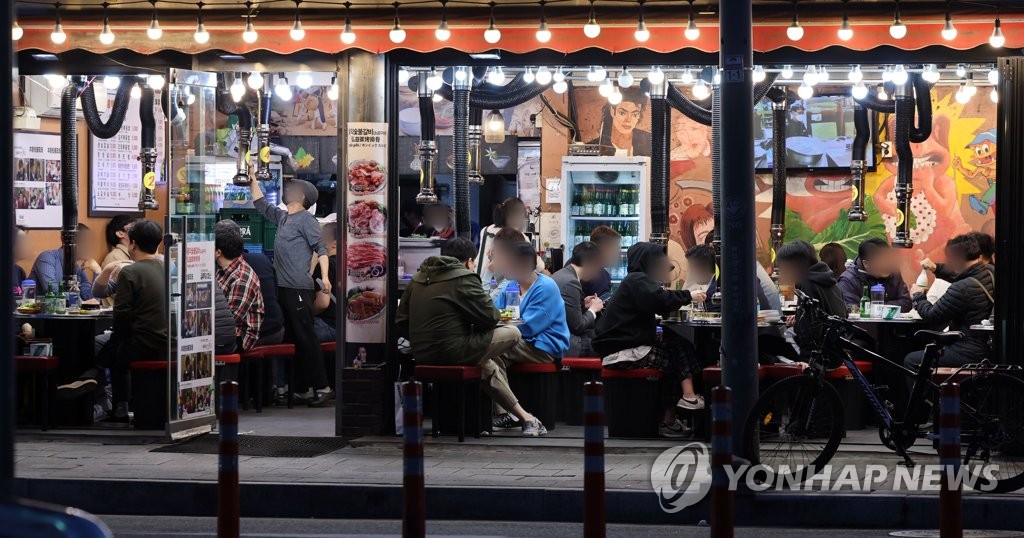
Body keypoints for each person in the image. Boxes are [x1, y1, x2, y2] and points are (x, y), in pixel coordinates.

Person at [396, 237, 548, 436]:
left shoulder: (417, 279)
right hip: (454, 350)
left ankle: (526, 418)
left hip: (422, 353)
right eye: (474, 263)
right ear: (469, 261)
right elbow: (491, 317)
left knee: (486, 365)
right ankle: (521, 418)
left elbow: (402, 320)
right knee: (513, 332)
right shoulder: (463, 278)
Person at [593, 242, 707, 438]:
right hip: (622, 351)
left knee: (677, 344)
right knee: (673, 358)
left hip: (622, 345)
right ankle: (674, 413)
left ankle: (681, 405)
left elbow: (657, 301)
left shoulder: (635, 281)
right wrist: (689, 295)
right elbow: (661, 301)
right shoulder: (637, 280)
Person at [58, 221, 167, 422]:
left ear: (132, 244)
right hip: (165, 337)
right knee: (118, 348)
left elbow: (122, 314)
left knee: (117, 350)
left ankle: (100, 385)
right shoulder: (166, 266)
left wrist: (117, 338)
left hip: (144, 341)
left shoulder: (130, 272)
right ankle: (101, 383)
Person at [250, 170, 333, 407]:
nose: (287, 192)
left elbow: (322, 249)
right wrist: (252, 180)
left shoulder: (307, 220)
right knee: (294, 338)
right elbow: (261, 204)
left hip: (299, 287)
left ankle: (323, 387)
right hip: (284, 287)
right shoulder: (285, 217)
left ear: (303, 197)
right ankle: (302, 388)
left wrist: (324, 278)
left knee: (306, 339)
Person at [905, 234, 995, 370]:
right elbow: (961, 276)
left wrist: (918, 296)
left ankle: (932, 392)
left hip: (967, 351)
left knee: (911, 360)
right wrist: (936, 268)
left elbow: (932, 315)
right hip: (987, 347)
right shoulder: (989, 272)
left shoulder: (962, 288)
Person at [775, 240, 847, 359]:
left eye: (784, 268)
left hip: (820, 357)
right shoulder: (829, 278)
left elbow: (808, 332)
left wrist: (805, 363)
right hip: (838, 351)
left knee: (778, 345)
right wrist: (799, 319)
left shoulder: (808, 284)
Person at [214, 220, 265, 352]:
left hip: (238, 337)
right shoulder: (221, 267)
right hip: (222, 328)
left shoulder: (241, 279)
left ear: (218, 252)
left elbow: (229, 321)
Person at [551, 242, 605, 357]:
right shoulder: (571, 282)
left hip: (558, 336)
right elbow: (578, 326)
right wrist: (593, 309)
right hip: (566, 344)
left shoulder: (561, 273)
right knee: (608, 347)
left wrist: (583, 305)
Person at [838, 238, 912, 312]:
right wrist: (885, 308)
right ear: (866, 264)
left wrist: (877, 307)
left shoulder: (894, 273)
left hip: (894, 323)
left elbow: (907, 303)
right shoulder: (848, 280)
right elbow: (854, 310)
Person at [29, 223, 99, 300]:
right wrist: (80, 302)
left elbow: (90, 298)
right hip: (40, 310)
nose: (89, 247)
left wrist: (98, 272)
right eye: (84, 242)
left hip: (66, 311)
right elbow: (52, 290)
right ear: (67, 242)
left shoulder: (78, 268)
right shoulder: (47, 258)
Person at [476, 197, 530, 284]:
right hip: (496, 283)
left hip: (478, 277)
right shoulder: (517, 236)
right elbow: (532, 262)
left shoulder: (485, 230)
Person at [588, 86, 652, 157]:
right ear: (612, 111)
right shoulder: (595, 146)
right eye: (622, 113)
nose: (628, 120)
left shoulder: (649, 141)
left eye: (635, 114)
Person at [312, 222, 338, 343]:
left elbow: (323, 303)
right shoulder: (353, 266)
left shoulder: (325, 267)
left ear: (334, 243)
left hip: (328, 326)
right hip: (349, 329)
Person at [581, 225, 622, 298]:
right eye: (616, 248)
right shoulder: (600, 275)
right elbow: (605, 306)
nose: (619, 253)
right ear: (605, 249)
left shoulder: (577, 263)